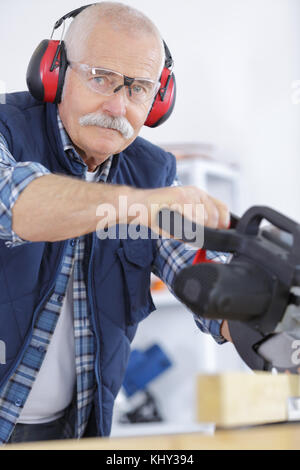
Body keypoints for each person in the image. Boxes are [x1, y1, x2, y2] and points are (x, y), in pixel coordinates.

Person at [0, 2, 231, 444]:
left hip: (71, 432)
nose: (117, 105)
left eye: (139, 88)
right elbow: (16, 204)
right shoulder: (6, 131)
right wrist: (137, 206)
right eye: (100, 77)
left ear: (158, 100)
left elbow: (201, 268)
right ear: (54, 70)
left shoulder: (153, 172)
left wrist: (263, 321)